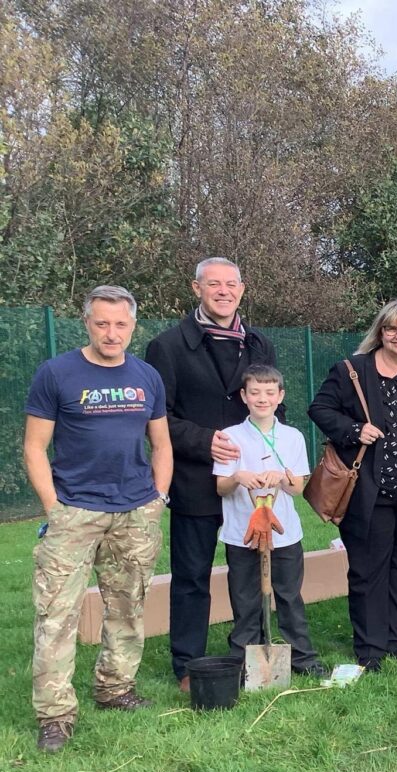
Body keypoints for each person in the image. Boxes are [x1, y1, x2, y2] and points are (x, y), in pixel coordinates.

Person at [24, 286, 172, 753]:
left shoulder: (147, 376)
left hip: (135, 511)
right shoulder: (57, 373)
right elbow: (34, 447)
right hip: (74, 511)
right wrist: (54, 509)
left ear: (133, 326)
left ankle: (115, 689)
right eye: (102, 323)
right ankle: (55, 714)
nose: (112, 333)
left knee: (127, 607)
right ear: (86, 323)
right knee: (56, 615)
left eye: (120, 324)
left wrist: (158, 497)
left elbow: (162, 445)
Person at [145, 257, 280, 691]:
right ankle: (188, 664)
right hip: (195, 481)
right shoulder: (167, 347)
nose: (224, 291)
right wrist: (204, 441)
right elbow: (158, 417)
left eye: (231, 284)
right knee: (191, 575)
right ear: (197, 288)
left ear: (243, 289)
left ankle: (253, 650)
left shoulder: (259, 344)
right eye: (214, 284)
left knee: (251, 570)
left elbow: (275, 406)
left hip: (250, 483)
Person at [308, 300, 397, 669]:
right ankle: (370, 648)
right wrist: (354, 430)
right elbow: (320, 409)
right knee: (369, 570)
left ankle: (396, 640)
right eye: (392, 329)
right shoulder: (353, 370)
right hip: (372, 492)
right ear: (380, 332)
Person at [214, 366, 324, 675]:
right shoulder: (230, 437)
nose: (262, 399)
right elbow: (221, 487)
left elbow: (298, 488)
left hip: (284, 533)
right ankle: (245, 661)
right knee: (245, 599)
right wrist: (238, 476)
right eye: (255, 392)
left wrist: (281, 477)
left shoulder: (292, 437)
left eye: (269, 392)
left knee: (289, 596)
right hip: (242, 533)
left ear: (280, 396)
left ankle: (303, 658)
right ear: (244, 397)